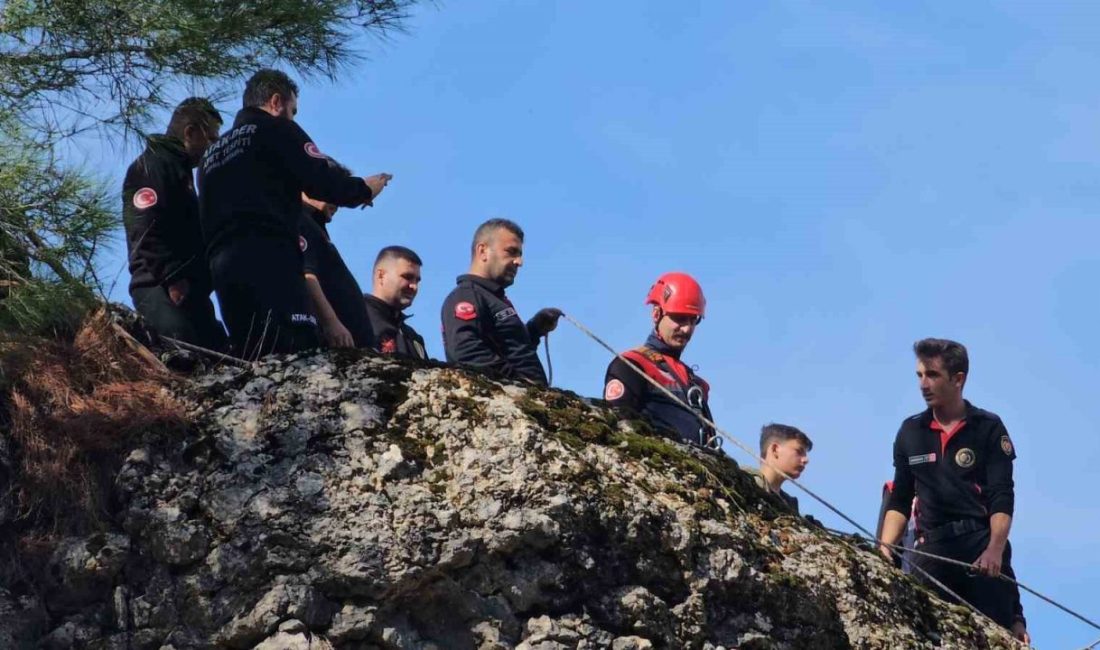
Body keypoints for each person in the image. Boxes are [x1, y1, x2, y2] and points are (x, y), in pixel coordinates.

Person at [198, 68, 392, 358]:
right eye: (293, 111)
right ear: (276, 102)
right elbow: (321, 179)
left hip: (223, 270)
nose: (293, 118)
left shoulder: (209, 157)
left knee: (253, 353)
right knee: (295, 352)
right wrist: (363, 189)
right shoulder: (275, 129)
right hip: (271, 261)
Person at [879, 338, 1024, 636]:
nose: (923, 384)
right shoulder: (910, 431)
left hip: (979, 547)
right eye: (919, 375)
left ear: (958, 379)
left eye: (932, 375)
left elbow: (1002, 497)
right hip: (930, 550)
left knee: (995, 636)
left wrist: (995, 550)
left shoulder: (988, 427)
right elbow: (900, 498)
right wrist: (883, 549)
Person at [123, 97, 228, 350]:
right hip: (160, 288)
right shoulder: (152, 166)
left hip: (189, 292)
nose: (214, 146)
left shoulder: (180, 172)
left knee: (222, 358)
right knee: (184, 358)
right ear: (190, 132)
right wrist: (173, 278)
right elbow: (145, 227)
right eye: (211, 139)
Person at [876, 487, 1031, 644]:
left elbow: (1000, 561)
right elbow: (884, 552)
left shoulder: (971, 495)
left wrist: (1016, 618)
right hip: (921, 591)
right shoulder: (897, 493)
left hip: (975, 591)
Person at [602, 272, 716, 447]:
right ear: (656, 314)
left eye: (693, 320)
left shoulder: (697, 385)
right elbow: (617, 426)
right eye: (679, 318)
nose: (686, 329)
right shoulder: (632, 365)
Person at [441, 219, 560, 384]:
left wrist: (534, 330)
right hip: (501, 402)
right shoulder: (467, 296)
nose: (519, 262)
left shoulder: (493, 298)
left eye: (520, 254)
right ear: (483, 251)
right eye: (511, 252)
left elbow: (510, 351)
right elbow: (465, 350)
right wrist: (518, 382)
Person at [300, 188, 373, 349]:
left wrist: (372, 186)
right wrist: (331, 323)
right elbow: (306, 275)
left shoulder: (316, 226)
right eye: (330, 185)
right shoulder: (300, 220)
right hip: (333, 345)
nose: (339, 202)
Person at [364, 246, 428, 359]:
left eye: (417, 280)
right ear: (381, 276)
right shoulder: (356, 317)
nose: (414, 286)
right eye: (407, 277)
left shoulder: (413, 338)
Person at [747, 423, 811, 514]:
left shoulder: (790, 506)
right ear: (775, 449)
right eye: (799, 452)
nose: (806, 460)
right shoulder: (744, 483)